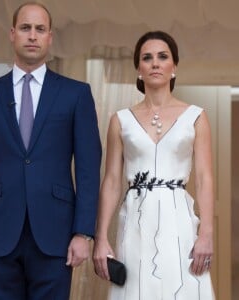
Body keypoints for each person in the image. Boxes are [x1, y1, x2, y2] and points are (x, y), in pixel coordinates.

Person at [0, 2, 101, 299]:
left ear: (50, 36)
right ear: (12, 34)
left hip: (56, 234)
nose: (32, 35)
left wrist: (83, 232)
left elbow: (89, 170)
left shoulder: (76, 94)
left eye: (40, 29)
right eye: (25, 28)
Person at [93, 31, 215, 299]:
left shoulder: (196, 116)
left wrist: (206, 233)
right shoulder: (120, 120)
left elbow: (205, 178)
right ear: (139, 69)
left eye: (163, 57)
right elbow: (112, 181)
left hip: (180, 221)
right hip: (135, 221)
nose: (155, 63)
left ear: (174, 67)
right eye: (147, 58)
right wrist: (101, 238)